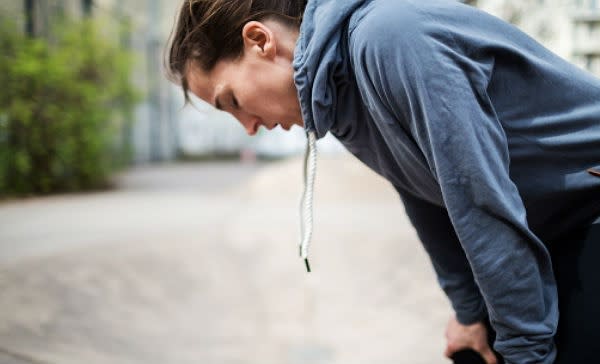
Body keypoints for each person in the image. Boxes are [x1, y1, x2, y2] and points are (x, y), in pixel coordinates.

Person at [166, 0, 600, 363]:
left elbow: (480, 201)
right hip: (555, 228)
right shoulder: (334, 91)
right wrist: (469, 313)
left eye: (232, 101)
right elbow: (426, 194)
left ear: (260, 41)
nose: (247, 126)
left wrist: (525, 353)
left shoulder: (391, 38)